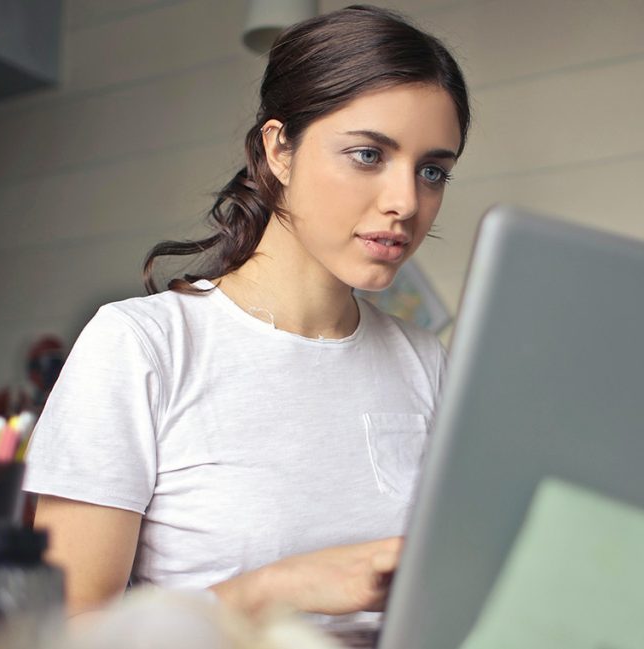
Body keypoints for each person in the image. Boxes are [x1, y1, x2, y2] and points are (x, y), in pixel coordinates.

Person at [23, 4, 470, 625]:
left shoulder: (428, 364)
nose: (405, 202)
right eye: (368, 155)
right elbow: (67, 634)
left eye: (431, 171)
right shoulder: (141, 346)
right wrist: (268, 591)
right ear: (279, 149)